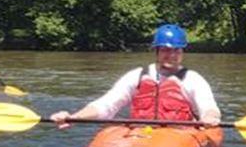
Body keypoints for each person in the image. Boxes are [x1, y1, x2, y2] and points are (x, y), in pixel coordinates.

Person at [50, 23, 221, 128]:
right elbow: (106, 105)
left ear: (182, 51)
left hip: (180, 136)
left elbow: (208, 107)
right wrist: (74, 117)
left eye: (176, 50)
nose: (172, 55)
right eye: (166, 50)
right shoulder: (137, 76)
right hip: (140, 135)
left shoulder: (192, 79)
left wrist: (210, 118)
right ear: (157, 51)